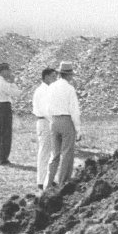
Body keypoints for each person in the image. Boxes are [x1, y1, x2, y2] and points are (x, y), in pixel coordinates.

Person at [44, 61, 81, 189]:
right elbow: (74, 111)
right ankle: (62, 183)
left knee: (54, 154)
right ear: (69, 75)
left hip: (53, 121)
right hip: (66, 120)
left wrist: (52, 120)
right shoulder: (70, 89)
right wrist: (78, 129)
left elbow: (46, 108)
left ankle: (47, 184)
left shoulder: (51, 87)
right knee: (67, 153)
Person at [32, 68, 58, 190]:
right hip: (44, 121)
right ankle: (41, 181)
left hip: (48, 121)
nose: (55, 79)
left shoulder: (48, 90)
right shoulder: (42, 91)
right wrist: (54, 121)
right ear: (46, 77)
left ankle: (48, 179)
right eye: (53, 76)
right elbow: (44, 110)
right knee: (44, 151)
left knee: (51, 151)